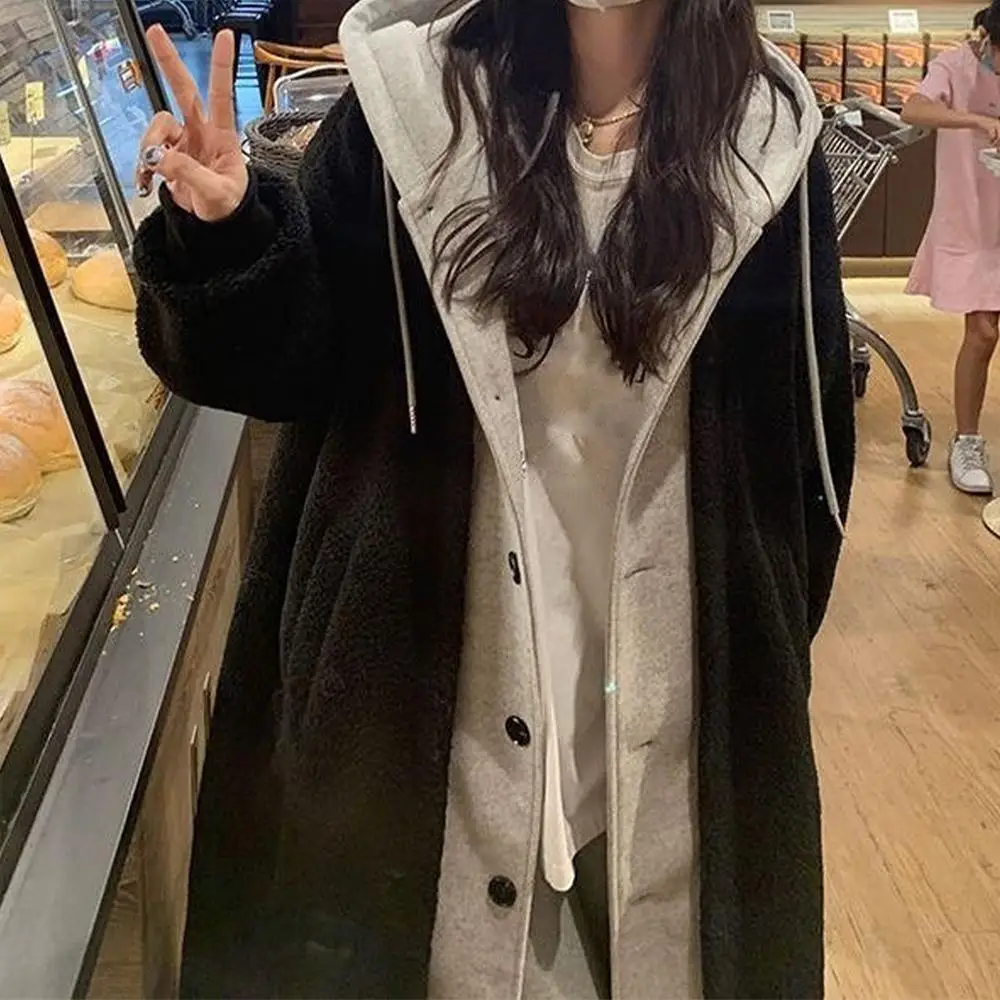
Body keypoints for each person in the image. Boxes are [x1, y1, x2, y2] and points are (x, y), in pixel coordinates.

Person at [134, 0, 854, 996]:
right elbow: (293, 366)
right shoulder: (411, 109)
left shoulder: (767, 141)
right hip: (425, 718)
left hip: (675, 733)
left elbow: (808, 462)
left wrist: (756, 659)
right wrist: (225, 235)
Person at [902, 3, 1000, 495]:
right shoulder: (955, 65)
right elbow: (914, 108)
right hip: (971, 221)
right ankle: (966, 441)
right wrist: (973, 120)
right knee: (982, 332)